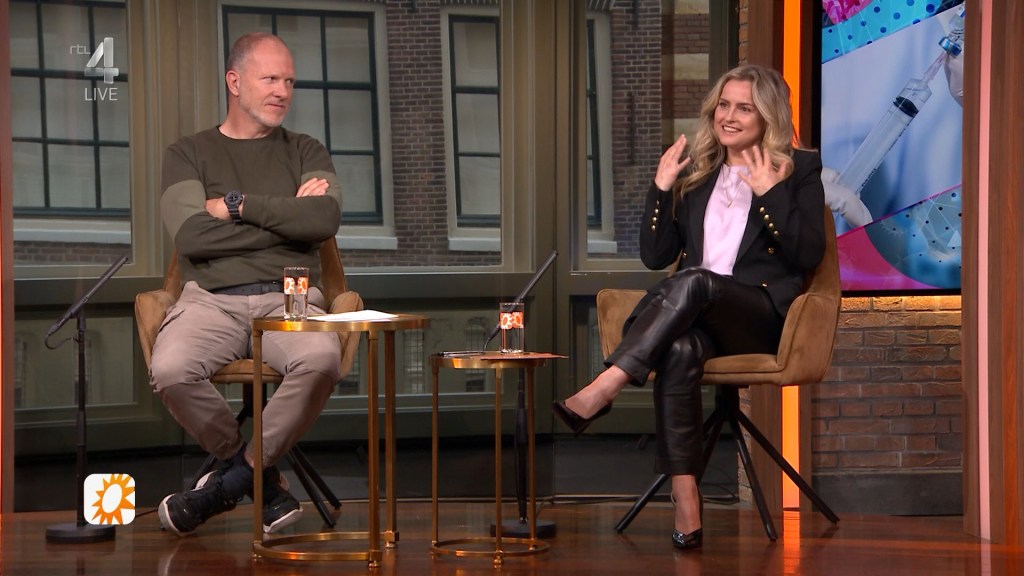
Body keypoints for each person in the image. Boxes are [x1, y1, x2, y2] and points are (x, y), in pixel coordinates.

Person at [553, 65, 825, 550]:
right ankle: (686, 501)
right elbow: (655, 255)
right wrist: (661, 189)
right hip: (696, 317)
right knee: (679, 349)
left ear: (768, 116)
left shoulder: (798, 169)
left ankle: (608, 383)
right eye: (724, 105)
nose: (729, 116)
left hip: (758, 318)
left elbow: (807, 256)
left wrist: (769, 193)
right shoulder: (700, 175)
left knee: (696, 279)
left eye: (744, 108)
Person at [150, 32, 343, 536]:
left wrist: (237, 206)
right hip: (210, 302)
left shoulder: (306, 149)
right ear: (234, 82)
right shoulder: (188, 152)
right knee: (170, 369)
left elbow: (322, 220)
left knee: (322, 359)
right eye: (270, 79)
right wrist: (287, 218)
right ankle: (261, 478)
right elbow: (192, 236)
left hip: (290, 298)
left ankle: (230, 482)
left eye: (290, 81)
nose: (283, 91)